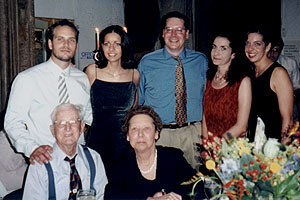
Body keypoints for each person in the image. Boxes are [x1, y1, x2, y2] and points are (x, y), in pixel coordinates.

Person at [4, 19, 92, 165]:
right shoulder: (27, 79)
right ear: (50, 44)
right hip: (44, 159)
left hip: (78, 158)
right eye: (60, 39)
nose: (66, 44)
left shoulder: (82, 78)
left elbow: (88, 116)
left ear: (76, 46)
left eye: (71, 40)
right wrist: (32, 148)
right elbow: (12, 123)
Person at [138, 11, 208, 169]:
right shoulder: (147, 62)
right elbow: (139, 102)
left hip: (193, 134)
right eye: (169, 29)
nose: (174, 34)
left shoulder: (201, 61)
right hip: (162, 134)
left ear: (187, 33)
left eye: (179, 30)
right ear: (163, 33)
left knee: (195, 184)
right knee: (163, 183)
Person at [104, 105, 201, 200]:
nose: (140, 134)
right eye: (134, 129)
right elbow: (111, 196)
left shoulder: (173, 157)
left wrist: (176, 197)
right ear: (128, 136)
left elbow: (199, 186)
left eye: (146, 128)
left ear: (156, 134)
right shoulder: (120, 165)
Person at [85, 25, 140, 179]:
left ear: (124, 46)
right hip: (98, 139)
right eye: (107, 43)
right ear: (101, 46)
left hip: (124, 143)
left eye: (117, 43)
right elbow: (82, 106)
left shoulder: (134, 75)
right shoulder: (92, 71)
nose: (111, 48)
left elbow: (134, 111)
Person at [22, 103, 107, 200]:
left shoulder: (94, 158)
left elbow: (102, 196)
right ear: (53, 130)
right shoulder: (40, 164)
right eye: (61, 123)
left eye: (73, 122)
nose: (68, 128)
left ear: (82, 127)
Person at [245, 26, 293, 142]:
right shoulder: (250, 73)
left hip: (272, 147)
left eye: (257, 44)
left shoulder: (278, 73)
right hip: (253, 145)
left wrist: (283, 150)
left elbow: (287, 118)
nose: (250, 49)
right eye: (248, 43)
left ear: (268, 47)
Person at [202, 32, 252, 141]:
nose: (216, 52)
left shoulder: (243, 82)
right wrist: (206, 143)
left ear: (233, 54)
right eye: (214, 47)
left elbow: (242, 126)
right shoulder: (208, 79)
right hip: (211, 149)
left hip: (233, 147)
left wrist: (220, 144)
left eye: (223, 48)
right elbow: (205, 117)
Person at [268, 35, 300, 122]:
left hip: (288, 102)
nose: (272, 54)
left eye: (275, 51)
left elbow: (297, 87)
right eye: (270, 50)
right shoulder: (258, 65)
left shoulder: (290, 63)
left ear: (280, 51)